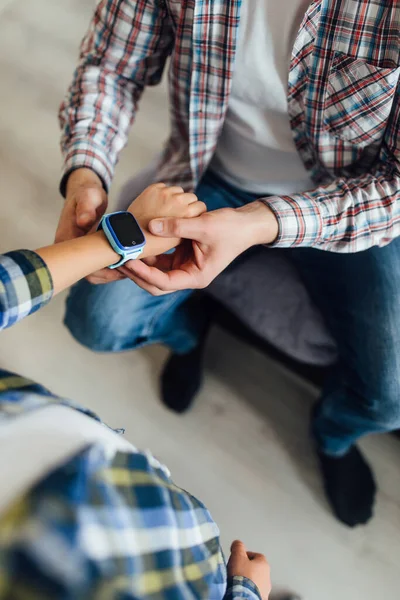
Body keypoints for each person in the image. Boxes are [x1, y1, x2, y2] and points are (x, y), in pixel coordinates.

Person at [56, 0, 400, 528]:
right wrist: (85, 173)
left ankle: (333, 434)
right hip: (206, 171)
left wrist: (262, 222)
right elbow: (112, 64)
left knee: (389, 394)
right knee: (95, 321)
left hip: (344, 203)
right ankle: (188, 332)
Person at [0, 184, 272, 599]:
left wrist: (114, 237)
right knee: (99, 321)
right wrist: (246, 593)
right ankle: (188, 338)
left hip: (141, 491)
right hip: (198, 573)